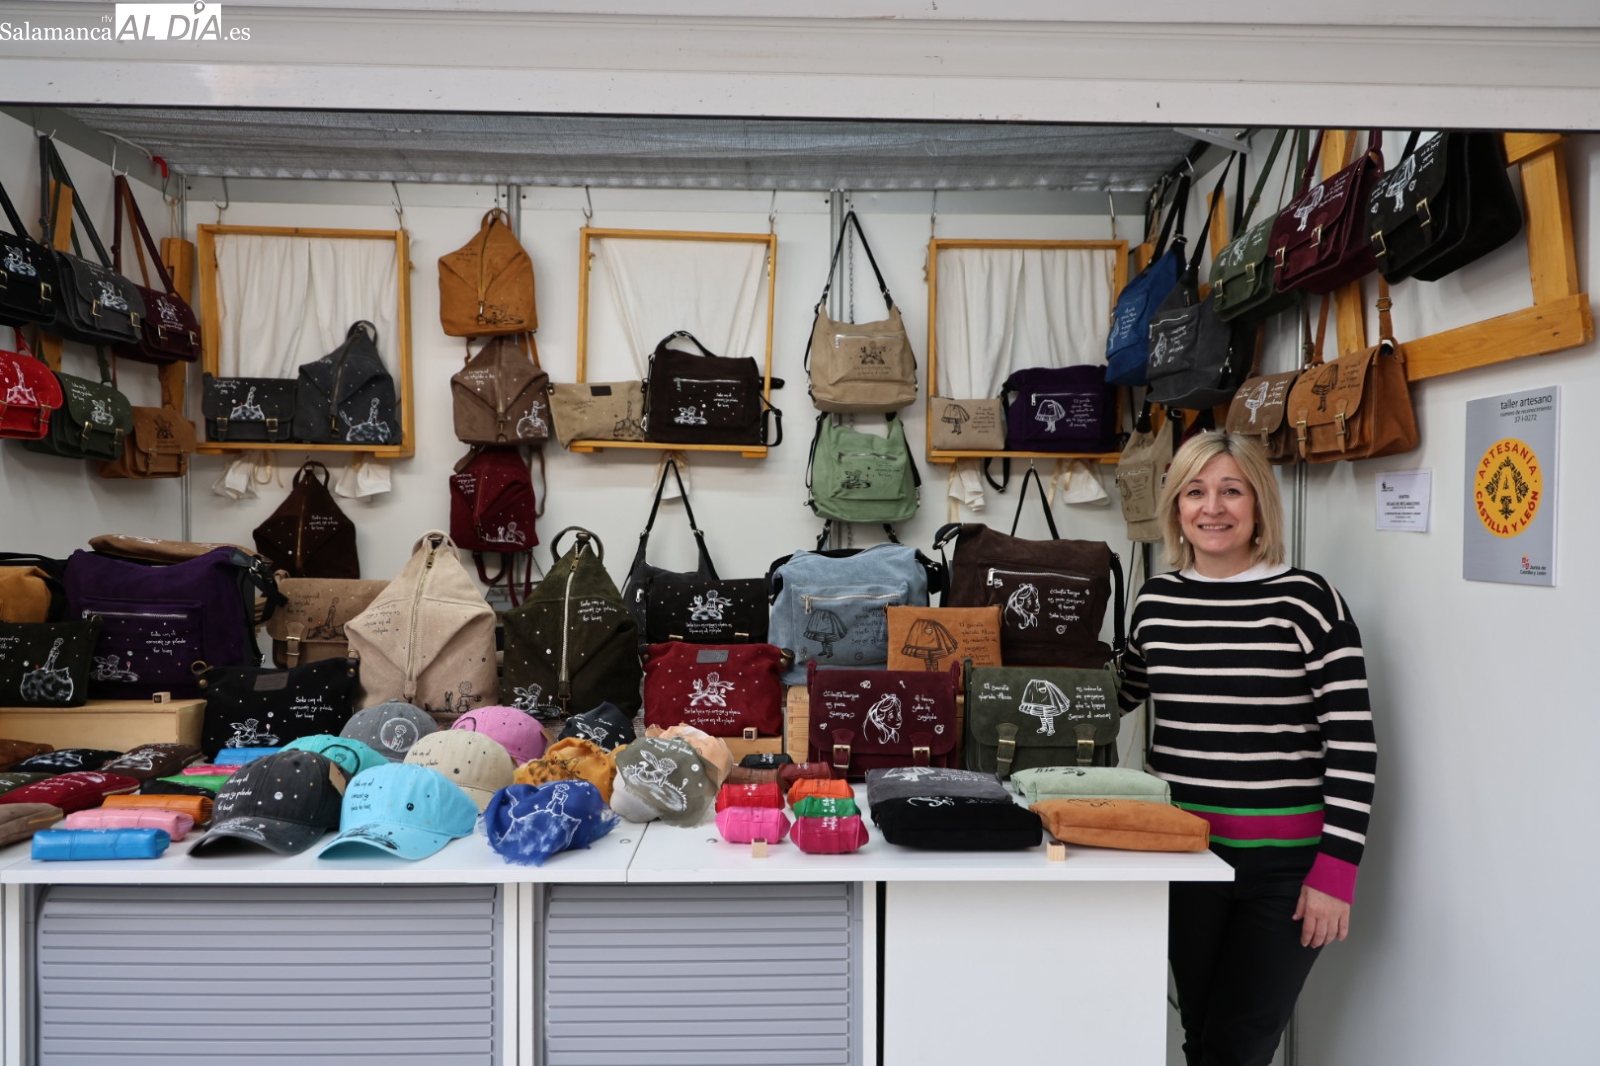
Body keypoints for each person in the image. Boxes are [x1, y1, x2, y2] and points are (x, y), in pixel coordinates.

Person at [1118, 432, 1376, 1066]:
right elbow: (1113, 697)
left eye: (1231, 491)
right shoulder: (1155, 603)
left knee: (1240, 1047)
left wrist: (1335, 875)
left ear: (1259, 503)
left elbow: (1353, 745)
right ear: (1176, 506)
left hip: (1286, 872)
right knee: (1200, 1033)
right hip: (1185, 856)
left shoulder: (1308, 601)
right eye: (1195, 492)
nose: (1213, 508)